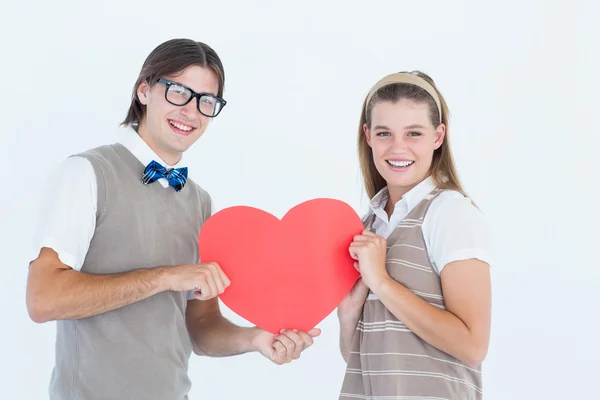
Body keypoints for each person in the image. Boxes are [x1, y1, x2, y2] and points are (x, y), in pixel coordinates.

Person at [26, 38, 320, 400]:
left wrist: (257, 339)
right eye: (179, 92)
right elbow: (43, 300)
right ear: (144, 91)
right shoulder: (86, 173)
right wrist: (166, 277)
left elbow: (201, 327)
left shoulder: (199, 202)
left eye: (206, 101)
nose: (191, 112)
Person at [337, 71, 492, 399]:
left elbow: (473, 345)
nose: (397, 147)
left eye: (414, 133)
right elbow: (363, 359)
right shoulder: (368, 225)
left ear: (438, 137)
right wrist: (349, 312)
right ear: (367, 135)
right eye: (384, 133)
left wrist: (381, 282)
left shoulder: (450, 213)